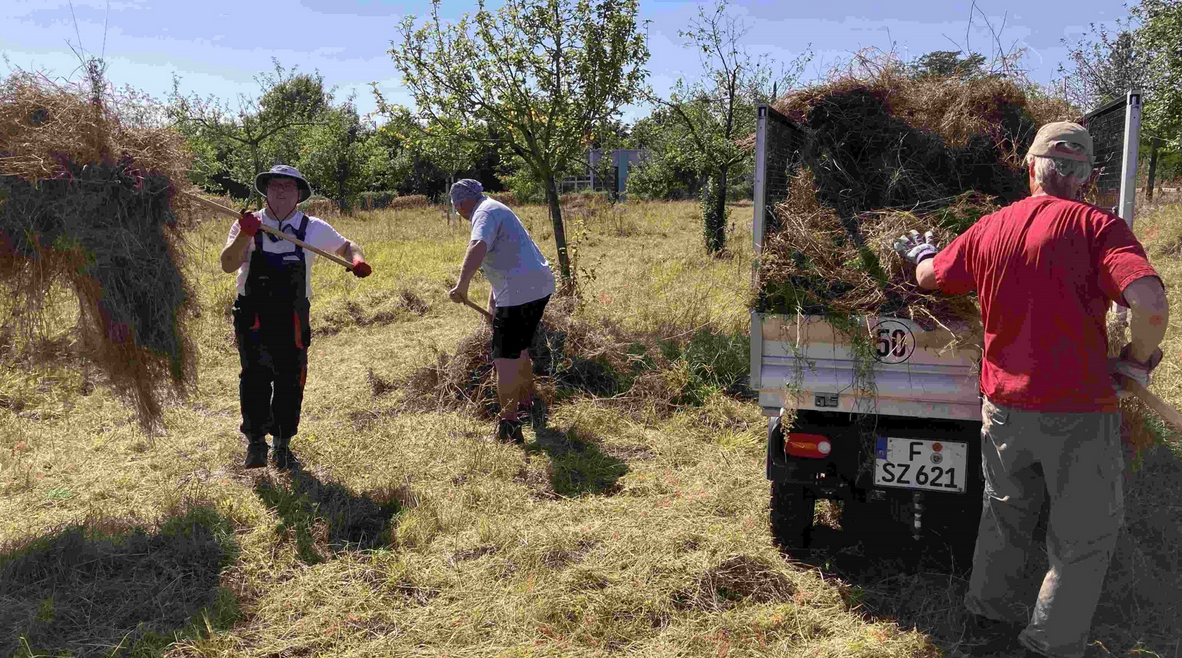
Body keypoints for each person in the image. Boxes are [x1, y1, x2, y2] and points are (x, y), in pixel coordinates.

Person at [894, 122, 1168, 658]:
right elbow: (1151, 306)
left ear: (1030, 167)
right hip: (1078, 409)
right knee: (1081, 539)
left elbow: (930, 278)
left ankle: (987, 625)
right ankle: (1048, 644)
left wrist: (921, 252)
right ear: (1086, 176)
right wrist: (1136, 363)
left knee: (1005, 515)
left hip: (1003, 407)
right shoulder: (1098, 228)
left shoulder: (989, 228)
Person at [220, 165, 372, 470]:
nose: (280, 191)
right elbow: (227, 264)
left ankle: (283, 445)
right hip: (253, 314)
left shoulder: (313, 227)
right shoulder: (248, 223)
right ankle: (255, 443)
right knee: (254, 377)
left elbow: (346, 245)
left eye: (287, 186)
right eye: (274, 185)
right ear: (266, 191)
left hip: (292, 316)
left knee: (291, 380)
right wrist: (244, 236)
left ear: (298, 195)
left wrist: (356, 260)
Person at [447, 179, 556, 444]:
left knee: (504, 361)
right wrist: (493, 305)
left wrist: (462, 285)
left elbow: (478, 247)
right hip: (537, 287)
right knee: (519, 349)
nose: (458, 213)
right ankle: (530, 401)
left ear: (460, 205)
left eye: (456, 208)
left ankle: (509, 426)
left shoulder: (482, 214)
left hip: (519, 292)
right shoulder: (495, 207)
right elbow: (504, 258)